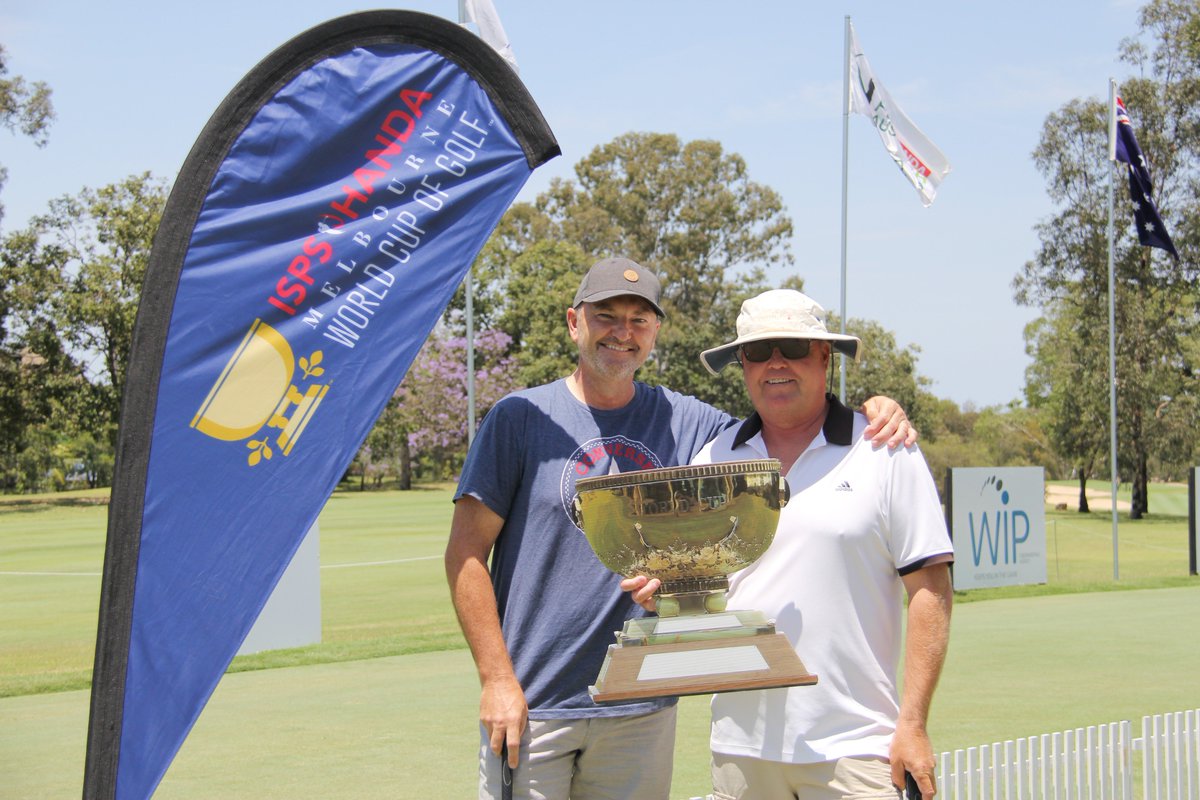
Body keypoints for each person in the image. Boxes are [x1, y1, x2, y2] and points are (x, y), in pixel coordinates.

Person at [445, 259, 919, 800]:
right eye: (606, 316)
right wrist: (497, 680)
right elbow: (464, 555)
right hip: (535, 705)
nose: (623, 332)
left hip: (642, 706)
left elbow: (786, 424)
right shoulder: (519, 418)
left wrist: (873, 413)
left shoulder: (691, 422)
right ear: (575, 323)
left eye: (639, 320)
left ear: (655, 334)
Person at [625, 288, 953, 800]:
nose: (775, 363)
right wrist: (667, 596)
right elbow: (700, 594)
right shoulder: (713, 458)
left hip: (856, 746)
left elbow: (931, 591)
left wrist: (912, 724)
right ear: (743, 364)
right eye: (758, 351)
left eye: (793, 348)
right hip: (741, 748)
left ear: (824, 356)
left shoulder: (886, 449)